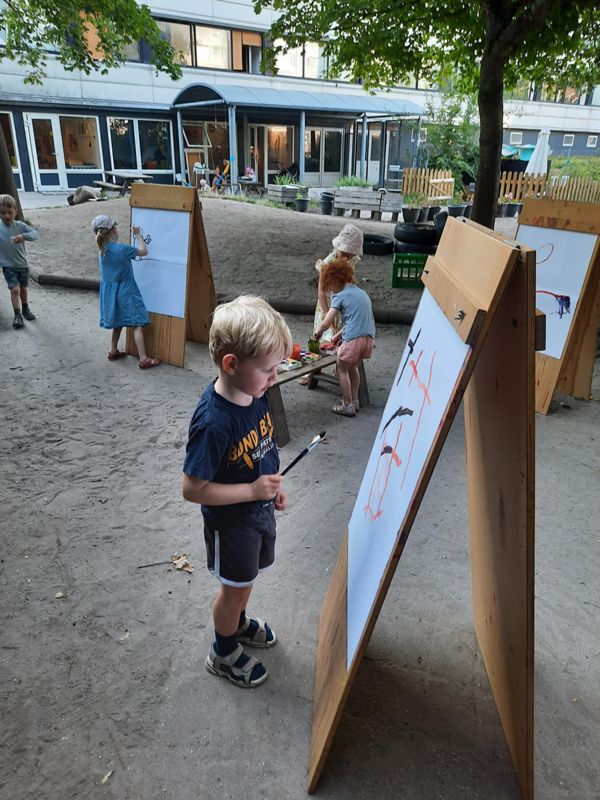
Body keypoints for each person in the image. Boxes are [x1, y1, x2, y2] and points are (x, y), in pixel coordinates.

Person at [182, 295, 292, 688]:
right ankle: (224, 651)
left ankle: (239, 623)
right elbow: (192, 489)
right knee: (232, 592)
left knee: (244, 584)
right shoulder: (213, 422)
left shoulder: (254, 394)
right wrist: (251, 490)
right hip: (231, 525)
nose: (274, 377)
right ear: (231, 364)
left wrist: (270, 487)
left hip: (257, 512)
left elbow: (262, 446)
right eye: (267, 369)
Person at [299, 222, 364, 385]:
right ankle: (311, 370)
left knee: (340, 338)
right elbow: (321, 291)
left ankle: (340, 365)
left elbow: (351, 281)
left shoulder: (352, 260)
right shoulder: (327, 264)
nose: (347, 258)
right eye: (344, 253)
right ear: (338, 248)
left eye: (350, 255)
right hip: (327, 305)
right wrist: (327, 313)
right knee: (322, 338)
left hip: (343, 304)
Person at [91, 214, 160, 369]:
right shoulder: (122, 249)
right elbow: (144, 251)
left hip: (110, 293)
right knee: (137, 323)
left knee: (118, 321)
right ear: (113, 230)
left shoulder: (102, 250)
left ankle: (113, 350)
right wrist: (138, 235)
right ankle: (144, 359)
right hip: (127, 291)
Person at [314, 255, 375, 417]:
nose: (330, 291)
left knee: (341, 368)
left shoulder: (339, 295)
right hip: (368, 340)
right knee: (353, 368)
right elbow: (355, 321)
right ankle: (355, 401)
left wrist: (318, 333)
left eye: (330, 287)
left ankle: (347, 405)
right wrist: (338, 336)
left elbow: (328, 320)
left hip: (353, 341)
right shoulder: (361, 293)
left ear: (335, 281)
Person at [0, 194, 38, 329]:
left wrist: (24, 236)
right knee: (15, 289)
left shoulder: (20, 226)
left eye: (9, 212)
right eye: (2, 213)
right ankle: (17, 315)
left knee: (23, 289)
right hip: (8, 266)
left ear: (15, 211)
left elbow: (35, 234)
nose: (6, 216)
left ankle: (26, 309)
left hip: (22, 264)